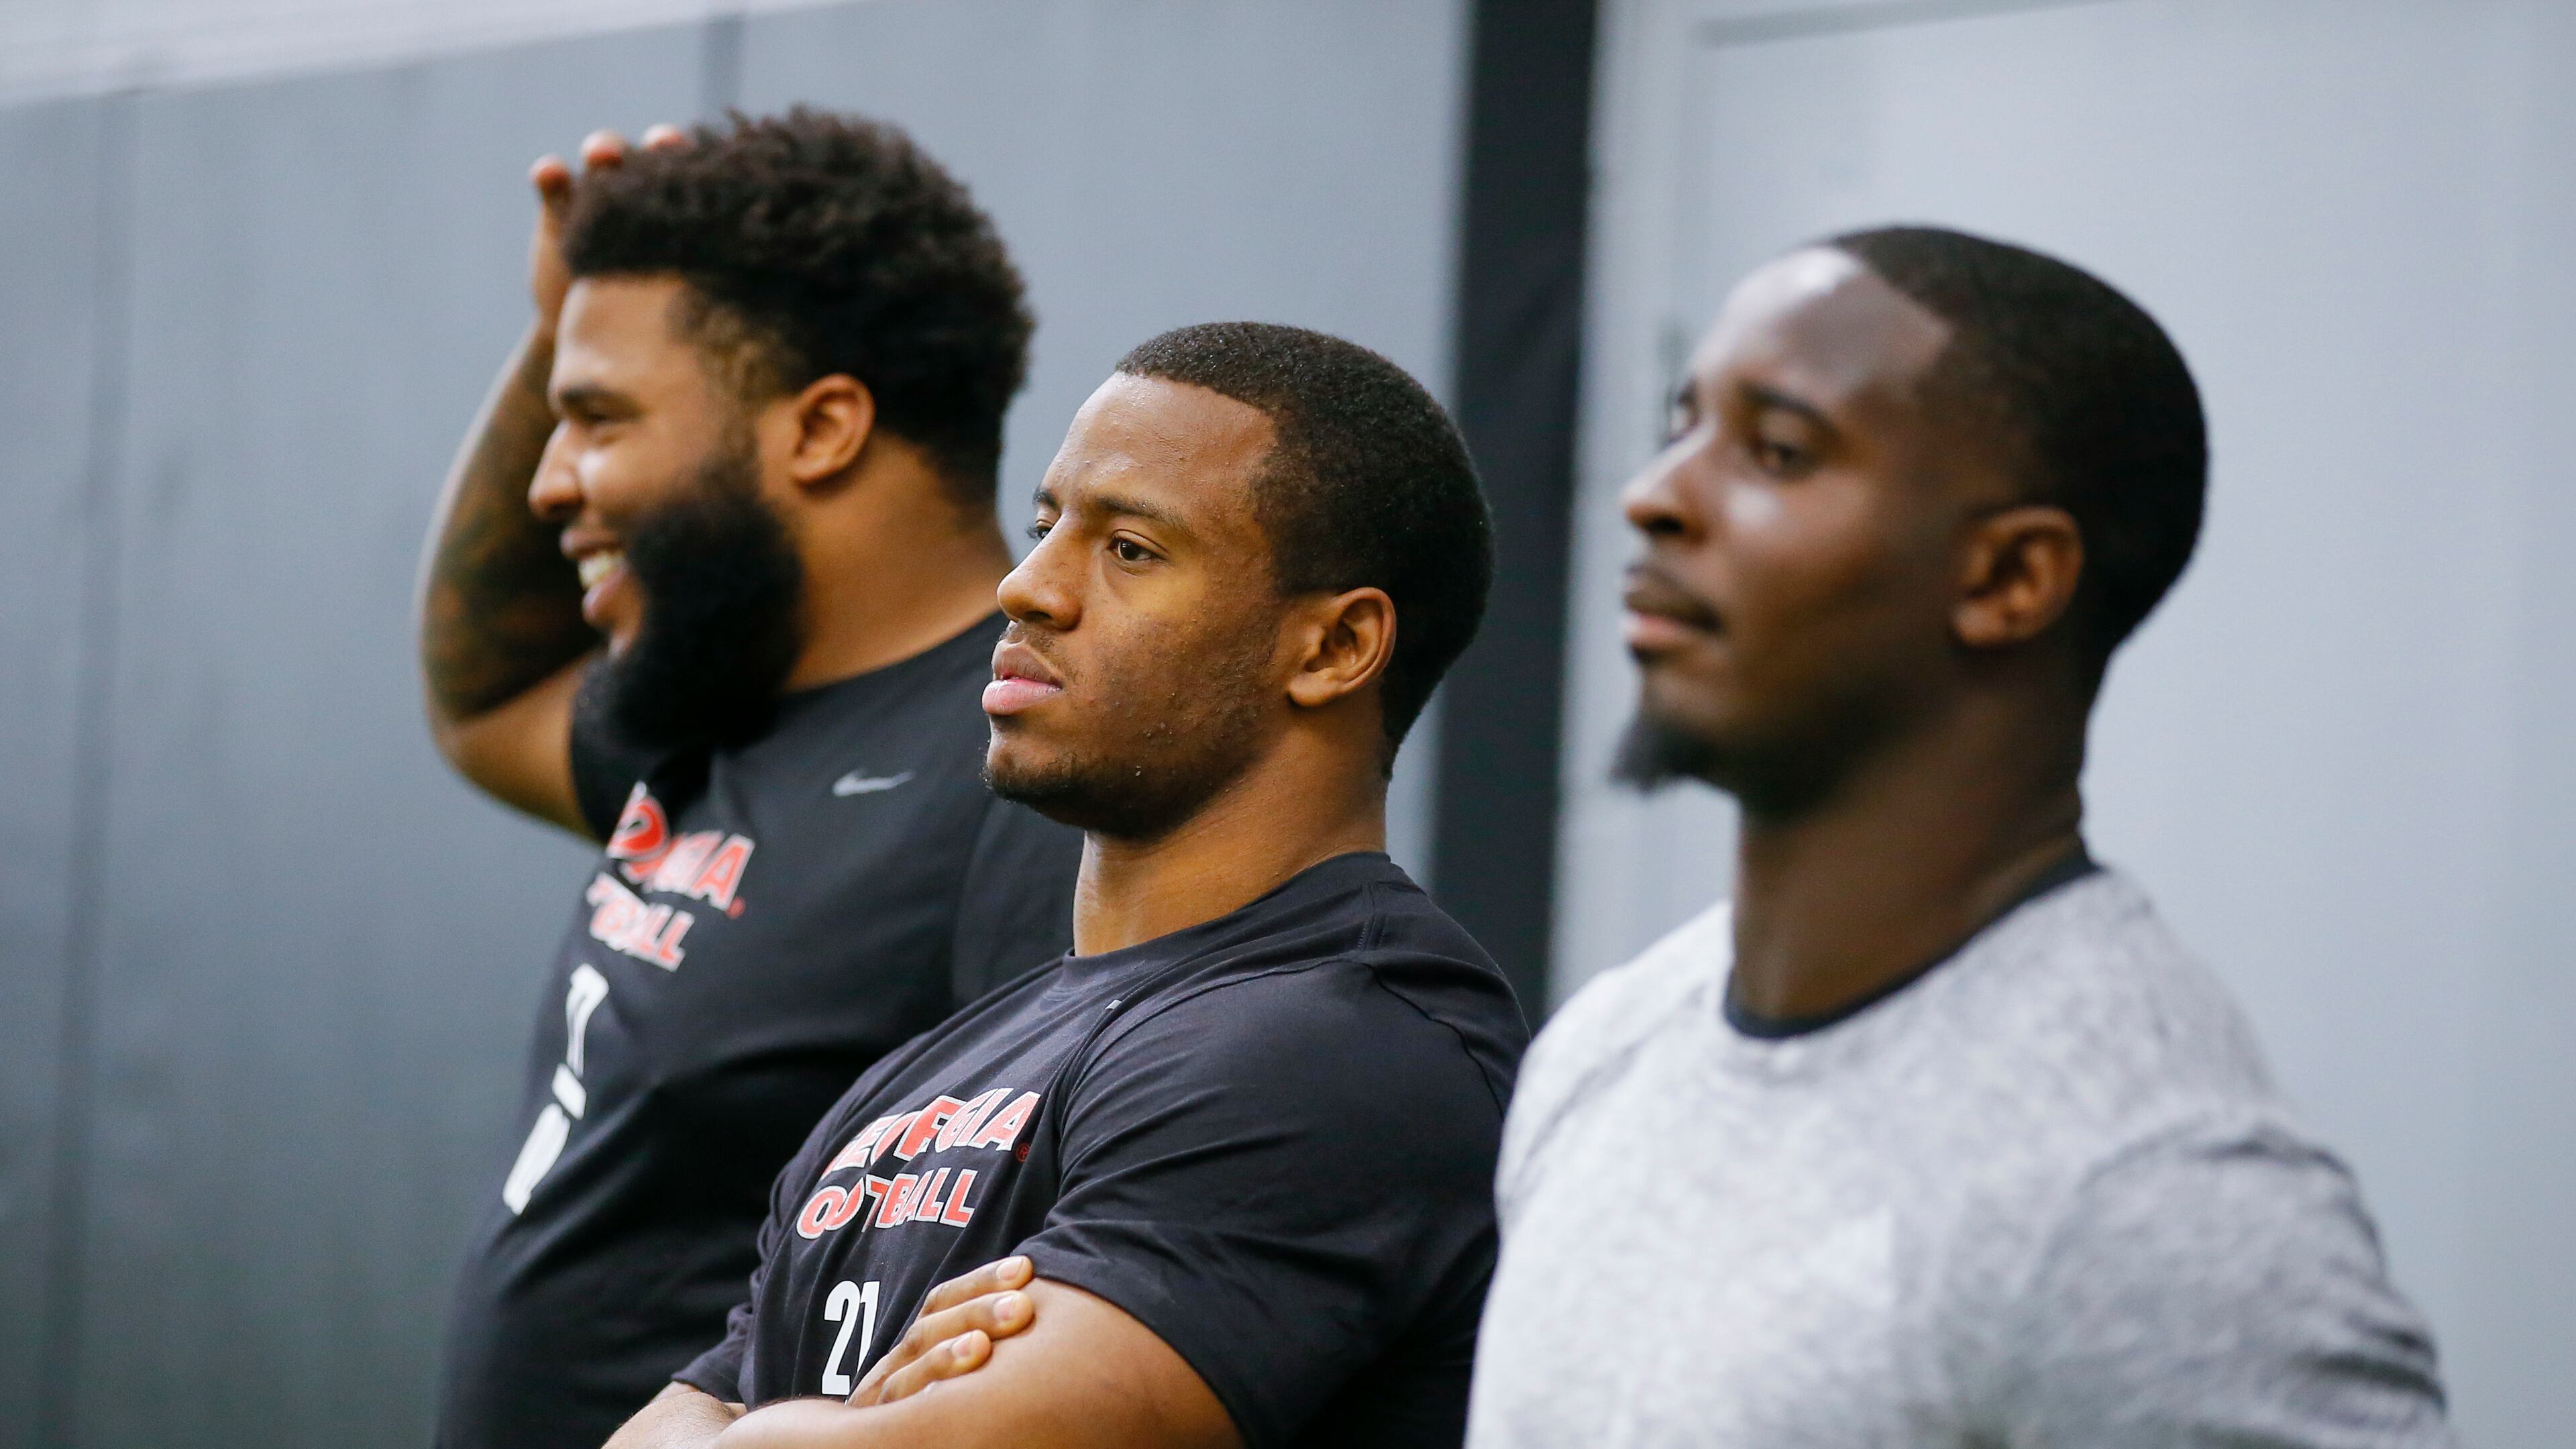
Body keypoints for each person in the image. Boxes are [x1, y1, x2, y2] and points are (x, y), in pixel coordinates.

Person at [1464, 227, 2454, 1446]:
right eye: (1682, 427)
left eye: (1777, 450)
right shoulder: (1608, 1050)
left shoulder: (2151, 1198)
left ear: (2009, 579)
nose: (1656, 495)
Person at [602, 321, 1525, 1449]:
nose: (1025, 587)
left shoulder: (1341, 1047)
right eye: (1046, 528)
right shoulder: (934, 1068)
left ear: (1333, 649)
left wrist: (827, 1425)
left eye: (1130, 548)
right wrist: (848, 1415)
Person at [417, 111, 1081, 1449]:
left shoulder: (1030, 783)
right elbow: (481, 691)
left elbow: (1048, 1288)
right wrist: (560, 329)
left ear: (824, 426)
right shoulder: (711, 704)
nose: (555, 484)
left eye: (598, 418)